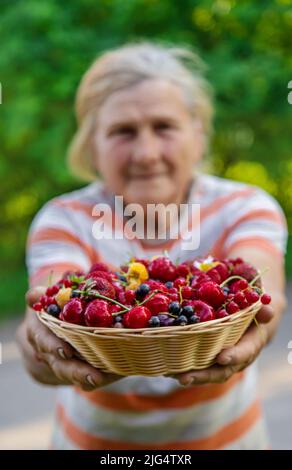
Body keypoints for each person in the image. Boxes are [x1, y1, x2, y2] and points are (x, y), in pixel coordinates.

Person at [17, 42, 287, 450]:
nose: (146, 153)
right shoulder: (64, 218)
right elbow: (46, 315)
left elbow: (259, 292)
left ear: (198, 134)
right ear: (93, 145)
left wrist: (256, 328)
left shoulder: (244, 207)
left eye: (164, 127)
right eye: (123, 132)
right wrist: (44, 350)